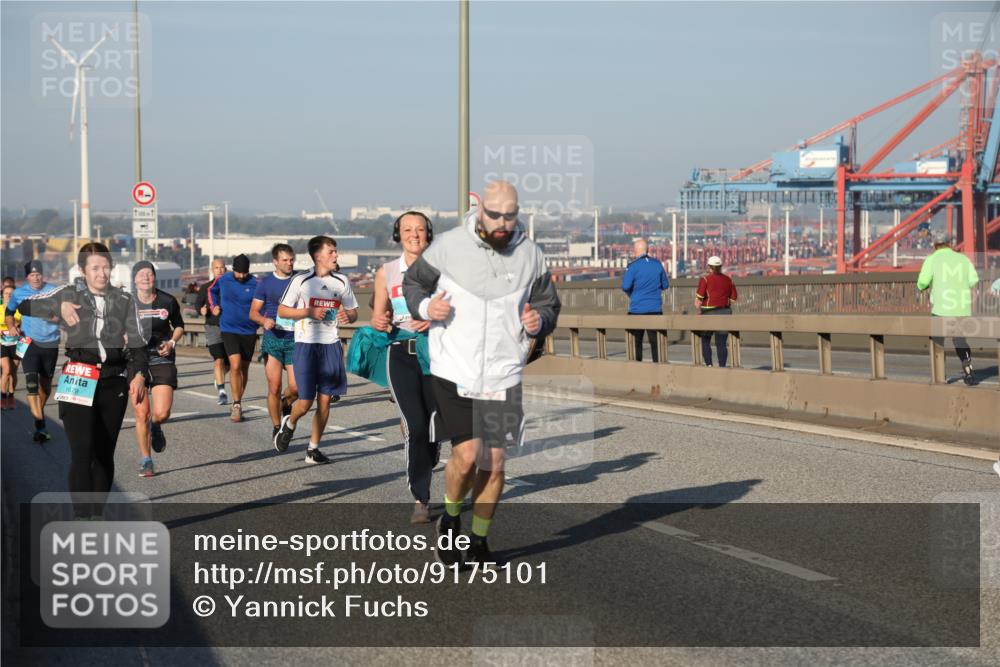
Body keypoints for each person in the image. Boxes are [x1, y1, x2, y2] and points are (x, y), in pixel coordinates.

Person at [403, 180, 561, 566]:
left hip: (503, 371)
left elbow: (549, 304)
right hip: (454, 367)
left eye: (510, 215)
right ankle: (452, 518)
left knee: (495, 460)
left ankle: (479, 540)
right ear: (481, 210)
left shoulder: (531, 255)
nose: (503, 222)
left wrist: (539, 319)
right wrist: (425, 309)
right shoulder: (449, 247)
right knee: (469, 454)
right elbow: (413, 283)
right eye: (495, 214)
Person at [7, 243, 148, 519]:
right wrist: (58, 304)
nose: (102, 273)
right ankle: (84, 516)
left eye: (106, 267)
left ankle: (97, 513)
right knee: (82, 452)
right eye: (95, 268)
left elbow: (139, 342)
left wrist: (140, 373)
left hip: (112, 381)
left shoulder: (124, 300)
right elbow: (24, 304)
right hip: (78, 378)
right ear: (83, 270)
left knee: (104, 453)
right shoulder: (70, 293)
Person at [371, 211, 438, 524]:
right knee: (416, 426)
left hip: (438, 355)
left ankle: (427, 457)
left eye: (420, 229)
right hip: (400, 354)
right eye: (407, 229)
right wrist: (379, 321)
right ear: (398, 234)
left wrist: (435, 317)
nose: (414, 234)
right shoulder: (387, 272)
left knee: (434, 428)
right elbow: (377, 315)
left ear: (429, 234)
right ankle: (421, 498)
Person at [273, 236, 358, 464]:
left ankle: (313, 449)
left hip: (331, 346)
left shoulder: (341, 281)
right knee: (306, 400)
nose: (335, 256)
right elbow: (282, 310)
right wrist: (308, 312)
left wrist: (348, 315)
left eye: (335, 251)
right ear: (317, 256)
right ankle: (289, 423)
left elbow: (354, 312)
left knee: (326, 400)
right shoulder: (301, 280)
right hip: (306, 346)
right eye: (331, 252)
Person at [130, 261, 185, 477]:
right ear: (134, 279)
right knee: (141, 413)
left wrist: (171, 342)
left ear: (155, 278)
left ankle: (156, 425)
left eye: (149, 274)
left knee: (161, 412)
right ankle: (146, 460)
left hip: (161, 356)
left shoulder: (167, 300)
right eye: (141, 274)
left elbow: (179, 325)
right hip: (135, 360)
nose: (145, 278)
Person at [4, 260, 61, 442]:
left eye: (38, 274)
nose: (35, 278)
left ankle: (39, 412)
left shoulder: (54, 290)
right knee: (31, 384)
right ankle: (40, 425)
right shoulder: (19, 293)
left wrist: (55, 317)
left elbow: (62, 314)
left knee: (45, 386)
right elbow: (9, 312)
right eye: (32, 275)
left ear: (42, 275)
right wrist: (12, 326)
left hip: (51, 344)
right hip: (29, 343)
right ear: (27, 277)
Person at [250, 243, 299, 442]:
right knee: (274, 386)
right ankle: (277, 426)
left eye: (291, 260)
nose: (289, 264)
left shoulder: (299, 280)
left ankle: (285, 403)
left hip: (295, 339)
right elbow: (253, 312)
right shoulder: (265, 284)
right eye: (285, 260)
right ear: (275, 262)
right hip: (273, 340)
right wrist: (264, 320)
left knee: (297, 389)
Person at [916, 232, 979, 385]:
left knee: (938, 341)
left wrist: (921, 287)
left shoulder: (932, 259)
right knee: (960, 341)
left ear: (935, 245)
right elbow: (974, 280)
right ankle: (968, 369)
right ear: (950, 244)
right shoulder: (963, 259)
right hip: (961, 308)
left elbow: (923, 282)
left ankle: (940, 376)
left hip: (941, 309)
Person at [210, 254, 259, 422]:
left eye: (245, 273)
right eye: (239, 273)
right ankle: (237, 404)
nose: (242, 276)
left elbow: (263, 302)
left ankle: (238, 400)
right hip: (229, 328)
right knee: (235, 364)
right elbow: (211, 290)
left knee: (244, 369)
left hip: (249, 330)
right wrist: (214, 305)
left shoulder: (255, 283)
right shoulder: (223, 279)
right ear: (233, 270)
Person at [621, 238, 669, 362]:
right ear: (647, 250)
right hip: (655, 310)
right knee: (656, 343)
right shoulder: (657, 264)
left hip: (637, 311)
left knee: (636, 343)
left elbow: (625, 286)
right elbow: (665, 285)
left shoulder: (633, 266)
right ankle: (658, 370)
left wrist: (633, 294)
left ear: (635, 251)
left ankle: (638, 370)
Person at [196, 259, 230, 405]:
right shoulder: (206, 287)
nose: (220, 270)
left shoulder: (231, 286)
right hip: (213, 327)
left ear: (226, 269)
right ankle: (222, 392)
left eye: (222, 268)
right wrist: (202, 310)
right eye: (217, 268)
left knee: (231, 364)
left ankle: (219, 378)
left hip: (230, 328)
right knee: (219, 360)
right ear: (212, 270)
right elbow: (198, 305)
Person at [695, 256, 738, 367]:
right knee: (721, 343)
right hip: (725, 313)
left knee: (705, 340)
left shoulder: (705, 279)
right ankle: (722, 366)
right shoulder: (728, 280)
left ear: (709, 267)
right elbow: (734, 298)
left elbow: (698, 302)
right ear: (720, 267)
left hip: (708, 313)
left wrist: (699, 305)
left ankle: (709, 364)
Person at [1, 284, 22, 410]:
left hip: (16, 343)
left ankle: (11, 396)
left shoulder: (20, 310)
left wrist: (20, 329)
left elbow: (26, 326)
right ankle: (3, 397)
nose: (8, 295)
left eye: (11, 294)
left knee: (13, 372)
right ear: (2, 296)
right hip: (2, 343)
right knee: (6, 370)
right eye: (6, 293)